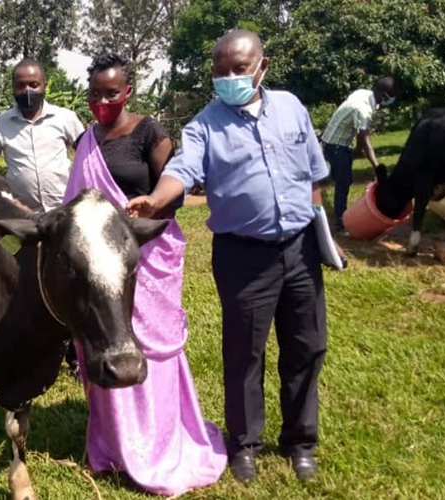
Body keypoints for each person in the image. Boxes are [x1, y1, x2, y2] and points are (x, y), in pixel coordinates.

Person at [127, 30, 330, 483]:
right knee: (245, 353)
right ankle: (244, 445)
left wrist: (321, 231)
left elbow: (314, 172)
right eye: (221, 71)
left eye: (239, 69)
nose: (229, 78)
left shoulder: (292, 108)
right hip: (243, 256)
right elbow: (182, 169)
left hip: (300, 249)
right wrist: (157, 199)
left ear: (263, 67)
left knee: (307, 345)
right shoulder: (203, 125)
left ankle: (300, 442)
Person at [63, 53, 226, 496]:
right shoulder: (86, 139)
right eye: (95, 93)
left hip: (146, 258)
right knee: (103, 338)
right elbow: (75, 202)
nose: (102, 101)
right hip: (100, 267)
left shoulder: (149, 133)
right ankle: (111, 445)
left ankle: (157, 445)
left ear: (128, 92)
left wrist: (148, 207)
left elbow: (175, 188)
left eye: (111, 93)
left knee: (150, 348)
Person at [0, 59, 85, 212]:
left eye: (34, 85)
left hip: (64, 209)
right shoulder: (0, 124)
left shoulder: (65, 118)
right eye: (20, 86)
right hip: (23, 213)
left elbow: (88, 155)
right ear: (13, 88)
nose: (27, 91)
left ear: (45, 86)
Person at [321, 77, 402, 233]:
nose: (391, 100)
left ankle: (335, 184)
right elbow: (365, 140)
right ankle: (340, 224)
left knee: (343, 179)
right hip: (336, 146)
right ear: (384, 95)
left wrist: (358, 150)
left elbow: (358, 134)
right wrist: (377, 167)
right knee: (343, 183)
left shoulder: (363, 93)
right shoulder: (362, 109)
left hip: (335, 140)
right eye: (391, 97)